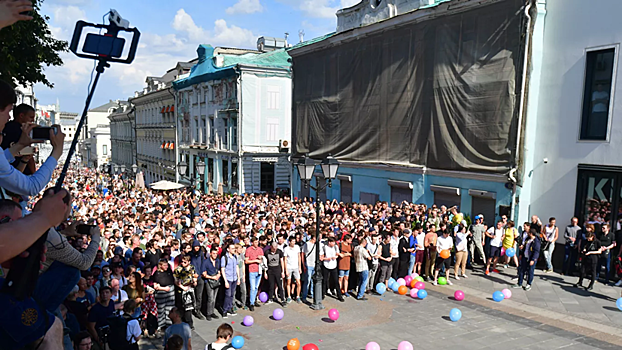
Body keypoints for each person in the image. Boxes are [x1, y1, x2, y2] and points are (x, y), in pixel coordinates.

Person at [173, 254, 197, 329]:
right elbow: (175, 280)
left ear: (189, 262)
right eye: (182, 262)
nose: (183, 263)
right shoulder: (178, 269)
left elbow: (194, 276)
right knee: (181, 308)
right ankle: (181, 322)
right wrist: (182, 287)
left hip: (190, 289)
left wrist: (195, 281)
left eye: (185, 262)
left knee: (189, 308)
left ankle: (189, 323)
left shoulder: (192, 267)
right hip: (182, 290)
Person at [153, 259, 176, 334]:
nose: (166, 266)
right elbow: (155, 286)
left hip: (170, 292)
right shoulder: (157, 273)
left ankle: (168, 324)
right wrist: (164, 288)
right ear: (160, 266)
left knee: (169, 309)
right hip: (161, 293)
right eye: (164, 265)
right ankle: (160, 325)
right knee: (161, 309)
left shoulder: (169, 271)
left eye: (167, 265)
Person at [321, 237, 344, 302]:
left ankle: (339, 295)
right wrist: (327, 258)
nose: (334, 243)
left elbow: (337, 254)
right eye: (333, 242)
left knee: (336, 281)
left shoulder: (336, 247)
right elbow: (321, 258)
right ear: (329, 242)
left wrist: (335, 257)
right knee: (325, 280)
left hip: (333, 265)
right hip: (326, 265)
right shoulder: (324, 247)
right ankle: (323, 294)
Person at [201, 247, 221, 321]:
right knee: (210, 298)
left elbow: (219, 270)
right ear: (210, 254)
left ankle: (212, 312)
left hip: (217, 281)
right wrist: (213, 277)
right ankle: (208, 313)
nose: (215, 255)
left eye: (216, 253)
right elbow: (203, 274)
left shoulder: (218, 261)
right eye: (213, 253)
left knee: (214, 298)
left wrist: (218, 275)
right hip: (209, 281)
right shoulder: (206, 262)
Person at [220, 243, 240, 318]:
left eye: (234, 248)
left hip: (234, 278)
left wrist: (238, 278)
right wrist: (225, 281)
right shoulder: (224, 258)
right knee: (227, 295)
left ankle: (229, 308)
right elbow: (223, 269)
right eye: (232, 248)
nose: (233, 250)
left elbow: (237, 267)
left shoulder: (235, 257)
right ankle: (224, 310)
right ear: (228, 249)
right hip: (228, 278)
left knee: (232, 295)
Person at [265, 241, 287, 306]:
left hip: (278, 270)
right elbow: (265, 263)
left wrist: (283, 271)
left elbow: (282, 261)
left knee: (280, 285)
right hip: (270, 271)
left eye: (276, 247)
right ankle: (270, 298)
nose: (275, 249)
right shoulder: (267, 252)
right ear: (271, 247)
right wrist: (265, 272)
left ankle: (283, 300)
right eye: (274, 248)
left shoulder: (279, 252)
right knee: (271, 285)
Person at [283, 236, 302, 303]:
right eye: (293, 241)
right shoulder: (286, 249)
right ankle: (289, 296)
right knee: (288, 282)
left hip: (296, 267)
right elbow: (285, 260)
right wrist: (286, 270)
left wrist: (300, 267)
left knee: (298, 282)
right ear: (289, 242)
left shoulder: (297, 247)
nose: (294, 243)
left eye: (294, 241)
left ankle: (298, 296)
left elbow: (299, 257)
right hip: (289, 267)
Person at [301, 233, 316, 301]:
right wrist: (303, 264)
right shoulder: (306, 244)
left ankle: (312, 294)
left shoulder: (316, 245)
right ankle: (304, 296)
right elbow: (302, 254)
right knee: (307, 281)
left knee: (313, 281)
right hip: (308, 264)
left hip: (315, 265)